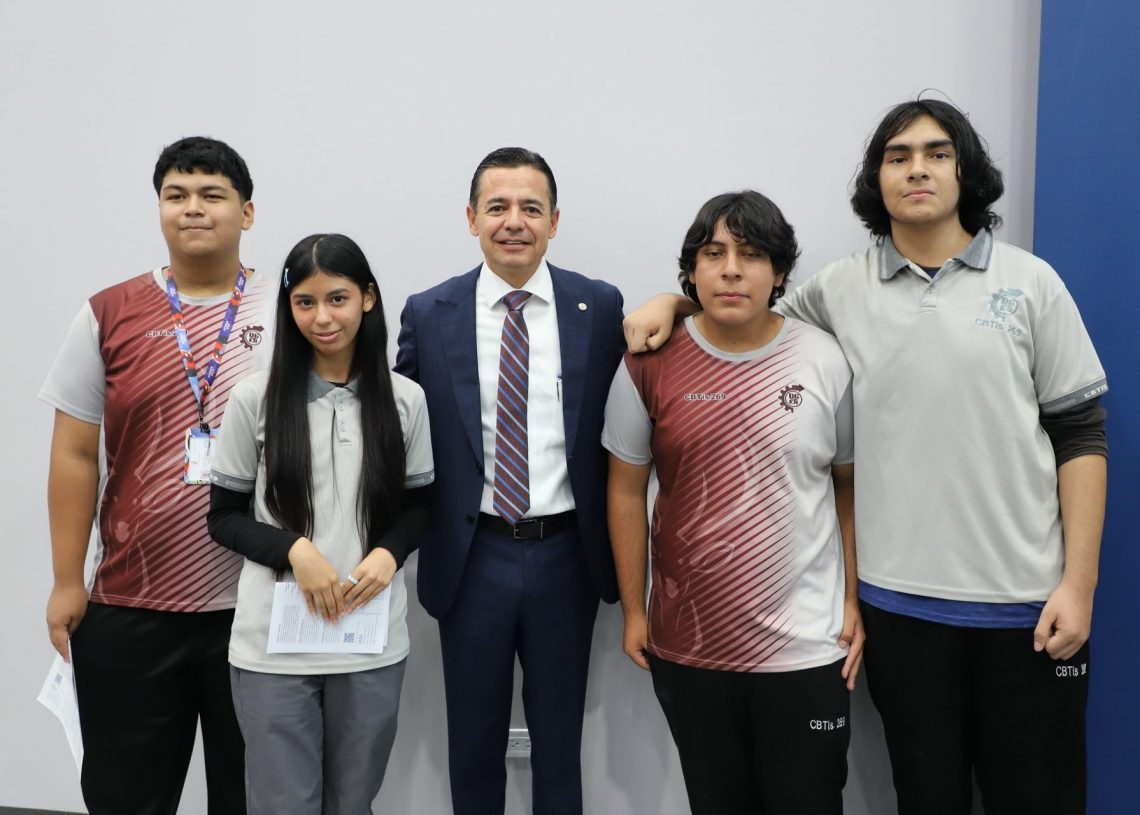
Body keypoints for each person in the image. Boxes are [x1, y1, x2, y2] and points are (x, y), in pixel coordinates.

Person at [623, 99, 1107, 815]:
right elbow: (746, 315)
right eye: (897, 156)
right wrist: (673, 303)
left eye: (937, 153)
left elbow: (1081, 436)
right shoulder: (838, 290)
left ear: (966, 170)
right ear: (876, 179)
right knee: (926, 798)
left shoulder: (1032, 283)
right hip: (898, 609)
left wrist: (1079, 585)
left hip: (1027, 610)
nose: (917, 169)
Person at [603, 190, 862, 815]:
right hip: (689, 646)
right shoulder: (648, 364)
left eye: (751, 254)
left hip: (807, 648)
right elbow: (625, 489)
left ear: (779, 273)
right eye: (714, 254)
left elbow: (849, 487)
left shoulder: (824, 359)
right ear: (691, 271)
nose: (731, 270)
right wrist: (634, 610)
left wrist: (853, 599)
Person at [40, 136, 273, 814]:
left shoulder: (286, 310)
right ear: (160, 209)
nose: (192, 208)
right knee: (126, 797)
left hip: (256, 604)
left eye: (212, 194)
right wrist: (66, 580)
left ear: (246, 212)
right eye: (177, 195)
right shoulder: (108, 312)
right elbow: (74, 453)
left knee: (256, 798)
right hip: (130, 603)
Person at [394, 147, 625, 815]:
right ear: (472, 219)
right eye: (497, 207)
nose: (514, 221)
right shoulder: (429, 312)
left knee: (560, 744)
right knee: (473, 745)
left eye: (530, 207)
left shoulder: (597, 306)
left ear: (554, 219)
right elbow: (400, 429)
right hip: (472, 556)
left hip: (566, 554)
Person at [206, 233, 434, 814]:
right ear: (289, 308)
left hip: (370, 642)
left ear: (368, 299)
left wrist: (389, 554)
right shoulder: (254, 398)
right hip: (273, 646)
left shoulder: (406, 400)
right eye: (305, 302)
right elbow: (224, 518)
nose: (322, 318)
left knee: (353, 803)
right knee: (283, 804)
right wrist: (294, 551)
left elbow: (420, 506)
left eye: (337, 298)